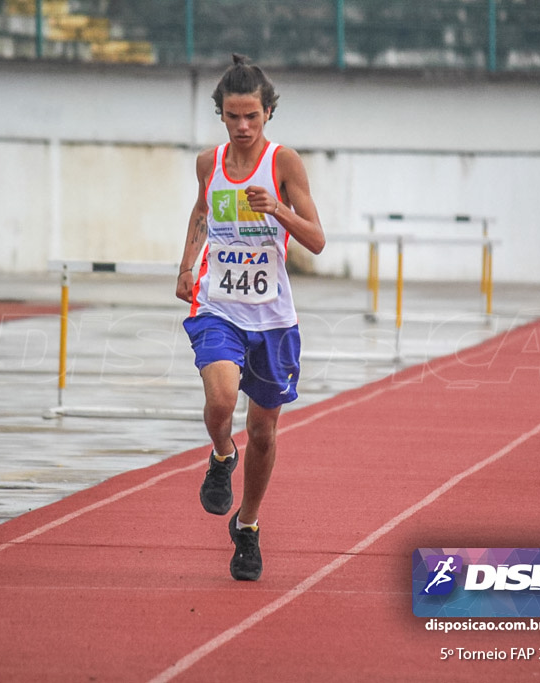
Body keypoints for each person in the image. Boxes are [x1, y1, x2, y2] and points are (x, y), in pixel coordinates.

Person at [175, 54, 325, 581]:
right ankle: (220, 455)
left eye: (252, 118)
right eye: (233, 117)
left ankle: (249, 526)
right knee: (220, 401)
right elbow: (201, 211)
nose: (243, 127)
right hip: (218, 306)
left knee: (263, 431)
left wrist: (277, 209)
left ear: (267, 115)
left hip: (273, 319)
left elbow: (317, 240)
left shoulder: (285, 164)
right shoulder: (208, 163)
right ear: (220, 114)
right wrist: (188, 265)